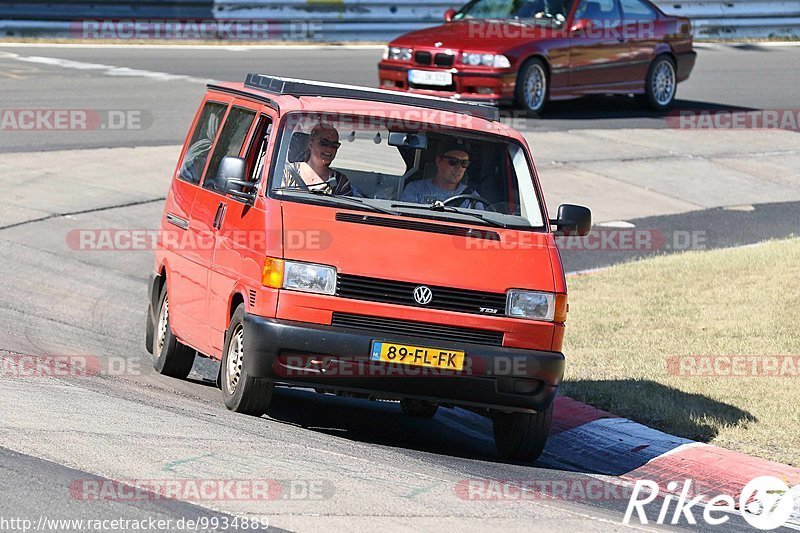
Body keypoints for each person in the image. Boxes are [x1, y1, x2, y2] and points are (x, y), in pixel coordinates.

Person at [401, 142, 483, 209]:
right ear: (438, 161)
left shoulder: (472, 198)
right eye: (453, 161)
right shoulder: (416, 189)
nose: (459, 168)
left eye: (464, 163)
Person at [281, 123, 353, 195]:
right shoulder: (287, 173)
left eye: (334, 145)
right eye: (324, 143)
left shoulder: (340, 182)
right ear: (311, 144)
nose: (329, 149)